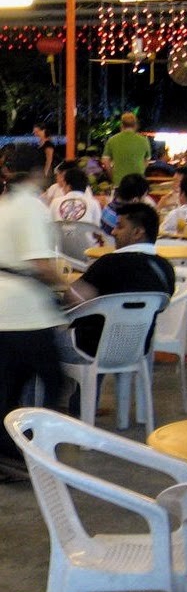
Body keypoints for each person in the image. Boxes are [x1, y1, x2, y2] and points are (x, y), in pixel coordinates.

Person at [59, 203, 175, 414]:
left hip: (86, 347)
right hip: (137, 348)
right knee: (103, 333)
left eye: (120, 227)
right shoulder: (165, 268)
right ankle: (81, 408)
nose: (113, 232)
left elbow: (72, 298)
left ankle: (33, 411)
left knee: (36, 342)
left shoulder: (109, 263)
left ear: (138, 232)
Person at [0, 170, 65, 471]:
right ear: (39, 173)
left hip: (7, 308)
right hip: (27, 311)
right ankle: (35, 446)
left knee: (11, 383)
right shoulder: (31, 207)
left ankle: (12, 448)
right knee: (53, 379)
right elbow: (39, 262)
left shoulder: (5, 204)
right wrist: (67, 288)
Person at [102, 112, 151, 187]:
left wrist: (112, 177)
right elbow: (147, 160)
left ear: (122, 125)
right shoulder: (143, 140)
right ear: (135, 125)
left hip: (119, 182)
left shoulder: (112, 140)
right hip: (138, 183)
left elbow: (105, 161)